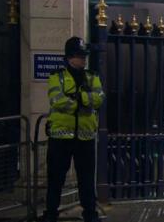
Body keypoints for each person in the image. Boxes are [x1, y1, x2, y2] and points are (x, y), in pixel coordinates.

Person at [42, 36, 105, 222]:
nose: (84, 59)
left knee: (86, 180)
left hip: (85, 137)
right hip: (60, 137)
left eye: (84, 56)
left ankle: (90, 214)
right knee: (56, 179)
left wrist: (77, 98)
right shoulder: (57, 77)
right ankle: (51, 213)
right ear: (70, 57)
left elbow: (99, 98)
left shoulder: (92, 76)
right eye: (80, 56)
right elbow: (57, 101)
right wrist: (84, 101)